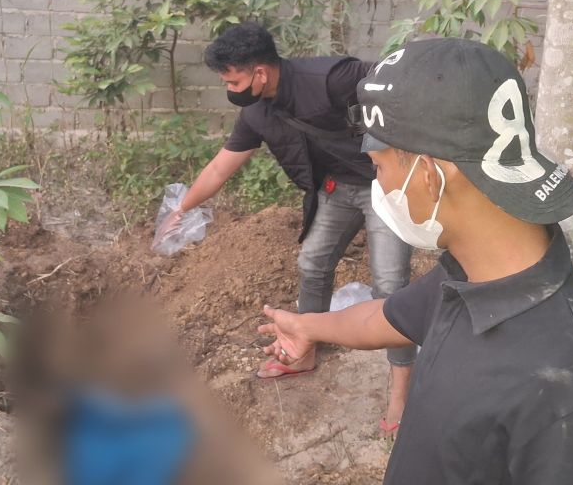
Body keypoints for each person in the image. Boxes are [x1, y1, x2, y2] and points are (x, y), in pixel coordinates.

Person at [258, 37, 573, 484]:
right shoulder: (472, 276)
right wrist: (307, 326)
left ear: (430, 175)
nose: (379, 184)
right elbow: (389, 317)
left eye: (378, 166)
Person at [159, 22, 415, 435]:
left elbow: (399, 87)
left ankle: (402, 390)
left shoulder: (332, 78)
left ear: (260, 73)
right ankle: (304, 350)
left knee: (390, 284)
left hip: (385, 187)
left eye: (234, 79)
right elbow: (222, 165)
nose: (231, 88)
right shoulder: (256, 112)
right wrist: (182, 208)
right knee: (312, 262)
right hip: (335, 190)